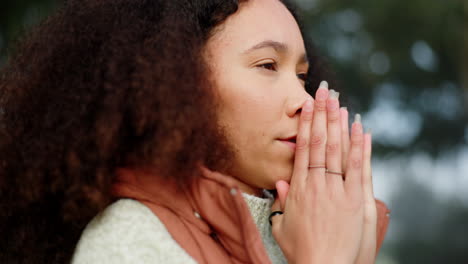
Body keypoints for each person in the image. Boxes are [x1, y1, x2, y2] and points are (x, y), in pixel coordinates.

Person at [0, 0, 390, 263]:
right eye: (268, 65)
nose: (305, 100)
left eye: (303, 76)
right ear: (176, 80)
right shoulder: (129, 245)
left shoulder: (332, 231)